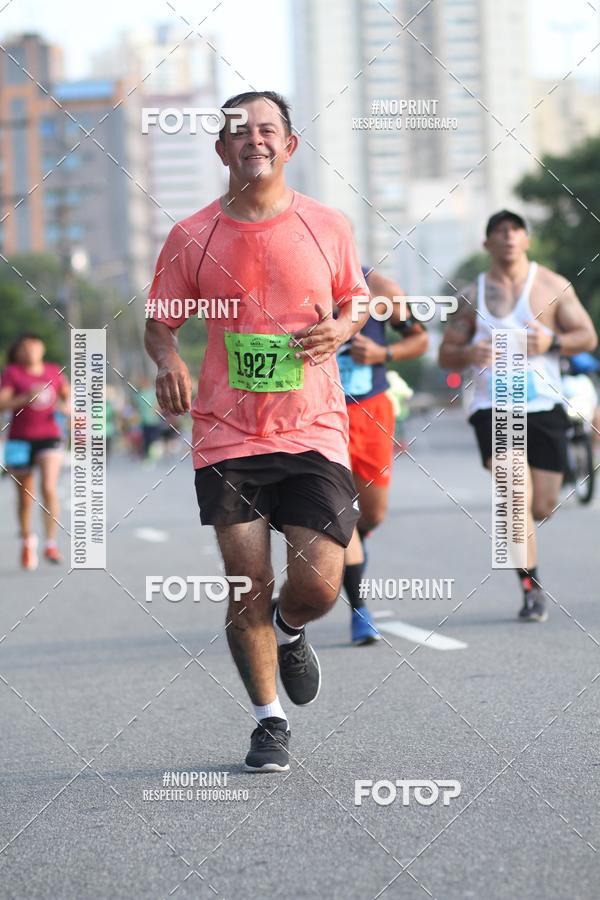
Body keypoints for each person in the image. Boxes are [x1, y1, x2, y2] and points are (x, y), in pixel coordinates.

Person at [144, 91, 370, 772]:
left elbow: (354, 299)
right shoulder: (192, 235)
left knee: (320, 584)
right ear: (221, 150)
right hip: (227, 435)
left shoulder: (327, 225)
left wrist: (345, 325)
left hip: (313, 428)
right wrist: (169, 361)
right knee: (248, 580)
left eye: (267, 129)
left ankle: (290, 628)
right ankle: (268, 721)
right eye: (239, 133)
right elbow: (161, 322)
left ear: (289, 145)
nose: (254, 140)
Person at [439, 210, 598, 621]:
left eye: (515, 231)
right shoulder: (470, 294)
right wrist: (468, 352)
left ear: (526, 240)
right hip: (493, 407)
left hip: (543, 405)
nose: (508, 238)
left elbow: (587, 336)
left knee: (543, 504)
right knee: (514, 497)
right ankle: (531, 591)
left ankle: (528, 562)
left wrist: (552, 340)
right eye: (499, 232)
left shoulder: (552, 285)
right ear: (487, 244)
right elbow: (445, 354)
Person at [339, 266, 428, 644]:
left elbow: (419, 341)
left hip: (372, 410)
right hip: (319, 417)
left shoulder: (381, 288)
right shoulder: (296, 283)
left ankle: (349, 547)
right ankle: (360, 608)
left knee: (371, 513)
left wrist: (382, 352)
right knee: (338, 514)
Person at [0, 333, 70, 569]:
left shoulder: (53, 371)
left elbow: (67, 399)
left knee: (49, 487)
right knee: (25, 497)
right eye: (24, 347)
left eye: (33, 345)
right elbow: (2, 403)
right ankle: (27, 538)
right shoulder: (12, 373)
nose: (29, 350)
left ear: (42, 348)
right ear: (18, 352)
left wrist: (69, 410)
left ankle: (50, 542)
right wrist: (23, 398)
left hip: (49, 437)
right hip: (19, 440)